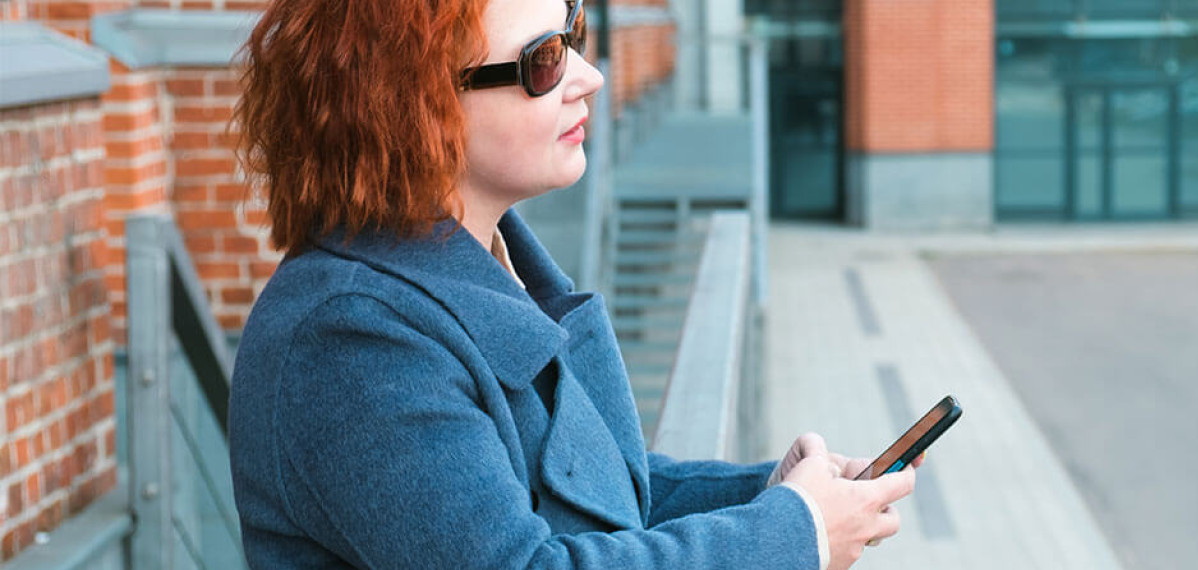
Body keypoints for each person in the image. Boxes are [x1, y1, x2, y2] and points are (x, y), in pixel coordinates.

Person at [227, 0, 917, 568]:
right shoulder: (350, 337)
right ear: (414, 106)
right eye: (545, 60)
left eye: (575, 33)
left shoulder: (485, 265)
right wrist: (796, 534)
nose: (589, 75)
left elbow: (583, 495)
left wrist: (770, 494)